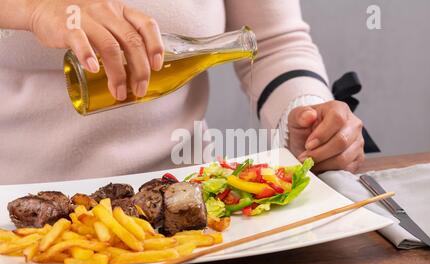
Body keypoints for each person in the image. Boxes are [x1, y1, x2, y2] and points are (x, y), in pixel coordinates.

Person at [0, 0, 364, 184]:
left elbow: (272, 43)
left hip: (181, 206)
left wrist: (307, 116)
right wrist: (31, 9)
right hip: (12, 213)